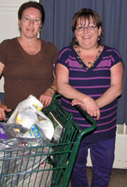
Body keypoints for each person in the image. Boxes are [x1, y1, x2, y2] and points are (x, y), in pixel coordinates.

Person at [55, 8, 124, 187]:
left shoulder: (112, 55)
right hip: (74, 127)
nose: (86, 32)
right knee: (75, 168)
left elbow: (117, 88)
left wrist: (95, 105)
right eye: (80, 27)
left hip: (104, 126)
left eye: (91, 26)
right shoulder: (66, 54)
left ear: (99, 31)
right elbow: (62, 86)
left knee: (103, 170)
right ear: (75, 32)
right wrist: (86, 99)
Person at [0, 1, 58, 121]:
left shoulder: (50, 48)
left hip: (43, 117)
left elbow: (60, 78)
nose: (31, 24)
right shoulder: (6, 46)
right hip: (14, 117)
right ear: (19, 22)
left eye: (36, 20)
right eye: (27, 19)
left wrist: (51, 90)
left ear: (41, 25)